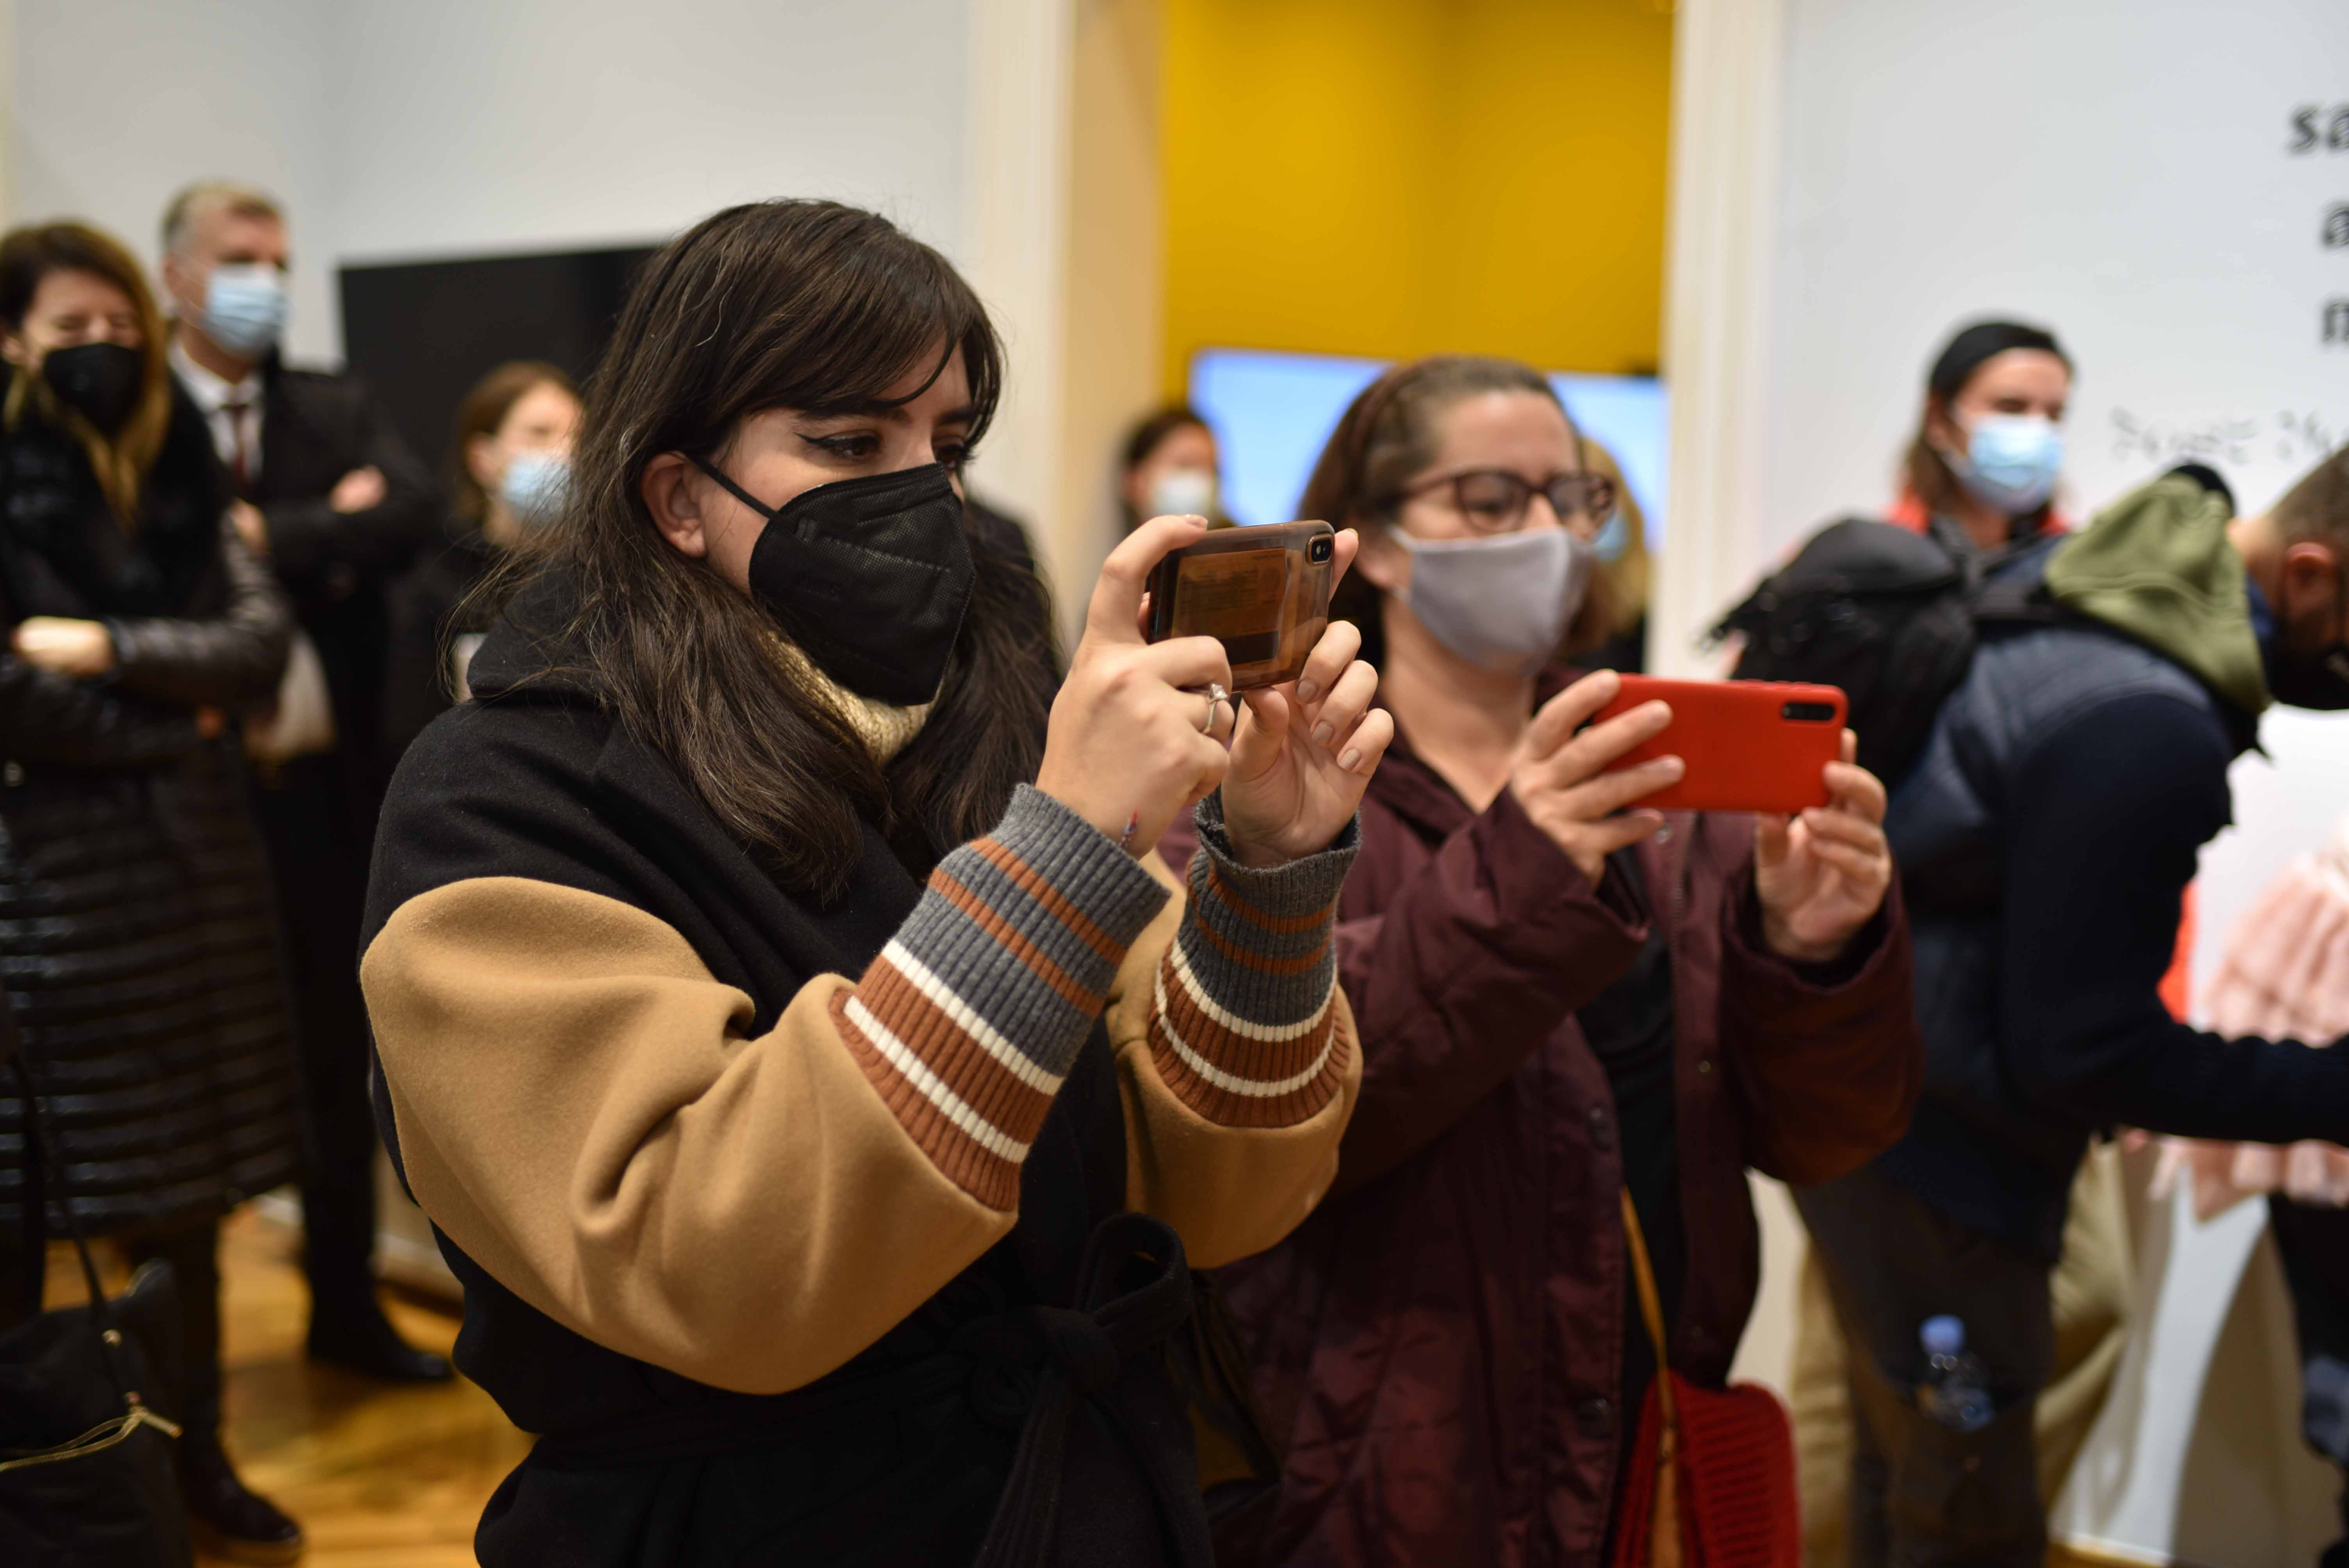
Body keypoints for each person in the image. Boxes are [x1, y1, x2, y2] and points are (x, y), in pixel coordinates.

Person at [358, 198, 1391, 1566]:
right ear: (676, 497)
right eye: (849, 443)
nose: (922, 493)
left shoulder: (991, 733)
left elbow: (1216, 1196)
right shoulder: (500, 793)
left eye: (946, 447)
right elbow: (717, 1265)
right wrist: (1061, 851)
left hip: (1077, 1496)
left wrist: (1266, 871)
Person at [1207, 355, 1924, 1566]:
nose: (1543, 533)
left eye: (1572, 497)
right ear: (1379, 543)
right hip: (1378, 1465)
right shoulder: (1268, 774)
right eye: (1490, 500)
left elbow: (1818, 1135)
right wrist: (1525, 867)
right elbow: (1271, 1107)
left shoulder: (1657, 770)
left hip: (1640, 1432)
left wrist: (1811, 953)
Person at [1797, 454, 2349, 1565]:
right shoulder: (2147, 717)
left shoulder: (2083, 585)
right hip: (1944, 1163)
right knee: (1962, 1508)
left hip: (1872, 1110)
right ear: (2307, 576)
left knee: (1899, 1470)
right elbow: (2083, 1053)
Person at [0, 220, 305, 1561]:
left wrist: (110, 647)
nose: (103, 348)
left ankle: (196, 1456)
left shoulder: (178, 456)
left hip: (195, 888)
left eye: (120, 326)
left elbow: (256, 642)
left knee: (192, 1195)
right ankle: (52, 1461)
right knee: (40, 1202)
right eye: (70, 329)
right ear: (12, 340)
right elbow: (11, 690)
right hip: (46, 899)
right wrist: (175, 724)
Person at [159, 180, 447, 1383]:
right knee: (191, 1067)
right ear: (175, 274)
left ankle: (344, 1309)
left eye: (279, 264)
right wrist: (326, 521)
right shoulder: (135, 414)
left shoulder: (331, 400)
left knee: (339, 1054)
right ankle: (178, 1370)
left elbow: (412, 511)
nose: (264, 285)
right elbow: (159, 574)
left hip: (327, 795)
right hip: (187, 800)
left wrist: (266, 535)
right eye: (239, 260)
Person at [382, 360, 580, 759]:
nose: (566, 454)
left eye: (579, 437)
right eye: (540, 434)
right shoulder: (436, 588)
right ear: (482, 459)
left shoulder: (602, 579)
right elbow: (409, 737)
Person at [1889, 320, 2073, 552]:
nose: (2038, 428)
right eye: (2010, 408)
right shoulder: (1877, 561)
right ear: (1938, 420)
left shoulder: (2075, 562)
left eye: (2054, 415)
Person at [1121, 403, 1231, 530]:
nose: (1201, 479)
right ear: (1134, 482)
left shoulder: (1243, 541)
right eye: (1186, 464)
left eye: (1213, 469)